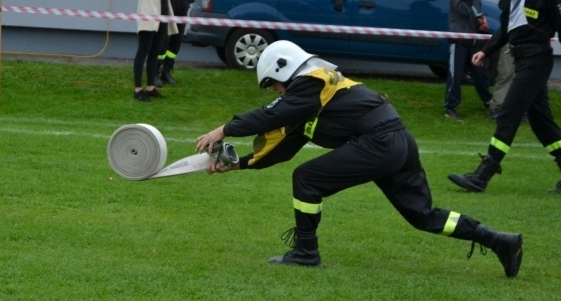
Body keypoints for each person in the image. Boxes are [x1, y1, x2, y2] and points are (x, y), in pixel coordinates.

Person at [193, 40, 523, 277]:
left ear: (285, 69)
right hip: (397, 140)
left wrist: (225, 129)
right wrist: (239, 164)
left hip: (379, 141)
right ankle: (498, 240)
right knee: (423, 216)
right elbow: (281, 148)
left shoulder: (310, 82)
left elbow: (270, 115)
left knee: (307, 179)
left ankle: (306, 253)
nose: (276, 91)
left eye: (274, 85)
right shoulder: (311, 95)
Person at [449, 0, 561, 193]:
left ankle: (483, 175)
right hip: (521, 58)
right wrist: (486, 51)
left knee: (509, 112)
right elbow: (507, 29)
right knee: (541, 122)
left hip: (537, 59)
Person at [132, 0, 177, 102]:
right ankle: (137, 89)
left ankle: (150, 87)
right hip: (148, 14)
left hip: (163, 15)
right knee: (142, 52)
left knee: (154, 53)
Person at [444, 0, 492, 121]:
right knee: (456, 75)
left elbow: (476, 14)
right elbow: (462, 11)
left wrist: (482, 24)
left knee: (479, 72)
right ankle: (451, 107)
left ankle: (488, 100)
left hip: (472, 41)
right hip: (458, 40)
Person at [486, 0, 524, 120]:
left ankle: (524, 109)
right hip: (510, 39)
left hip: (528, 40)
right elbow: (503, 4)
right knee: (505, 73)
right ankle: (497, 107)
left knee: (525, 76)